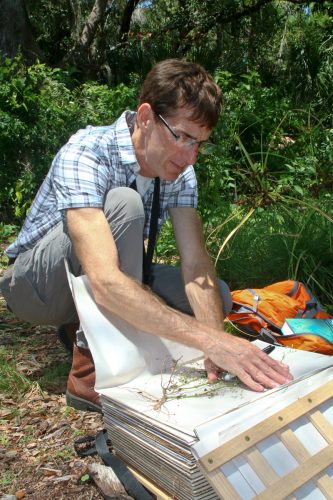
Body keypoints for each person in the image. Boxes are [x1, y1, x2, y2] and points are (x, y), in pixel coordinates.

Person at [0, 59, 292, 413]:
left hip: (99, 275)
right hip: (35, 288)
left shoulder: (181, 172)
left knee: (219, 296)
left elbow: (196, 266)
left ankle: (87, 325)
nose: (190, 157)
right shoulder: (87, 151)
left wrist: (216, 342)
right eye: (182, 136)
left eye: (199, 143)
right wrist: (209, 339)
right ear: (145, 117)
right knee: (125, 203)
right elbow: (107, 282)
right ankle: (89, 371)